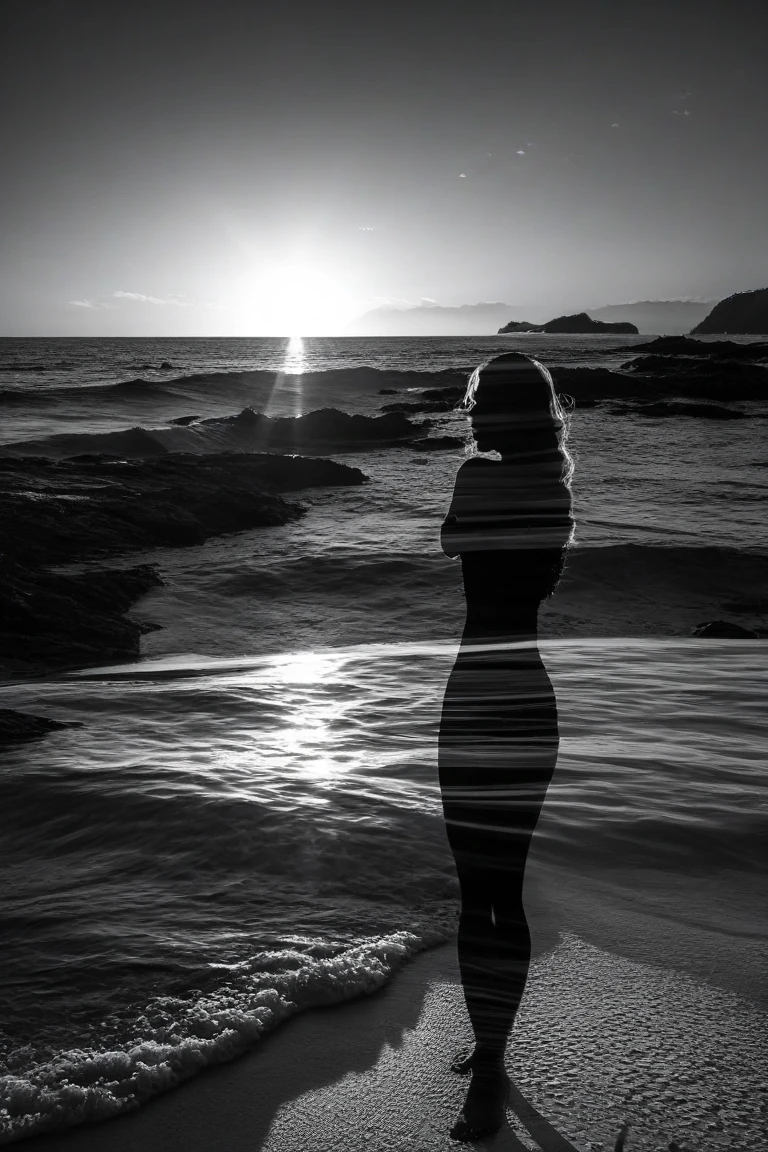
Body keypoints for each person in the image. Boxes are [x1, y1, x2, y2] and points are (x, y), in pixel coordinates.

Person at [438, 352, 574, 1141]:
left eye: (481, 402)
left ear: (503, 410)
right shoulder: (556, 489)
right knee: (507, 892)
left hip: (473, 697)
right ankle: (491, 1053)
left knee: (475, 894)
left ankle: (488, 1067)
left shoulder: (473, 479)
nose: (472, 413)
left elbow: (449, 542)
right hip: (528, 698)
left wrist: (474, 521)